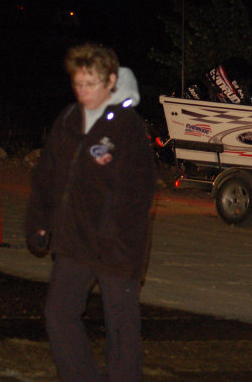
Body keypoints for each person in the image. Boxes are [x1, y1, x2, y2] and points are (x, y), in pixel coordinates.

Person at [24, 43, 157, 381]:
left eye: (91, 83)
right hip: (74, 241)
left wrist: (115, 233)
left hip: (117, 247)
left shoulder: (127, 126)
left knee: (121, 329)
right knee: (59, 314)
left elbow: (140, 191)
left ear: (110, 81)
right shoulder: (69, 119)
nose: (83, 91)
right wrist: (40, 223)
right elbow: (47, 176)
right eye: (78, 83)